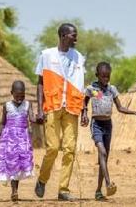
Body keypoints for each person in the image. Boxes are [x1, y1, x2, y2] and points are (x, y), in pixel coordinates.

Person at [34, 23, 87, 202]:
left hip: (72, 107)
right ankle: (42, 179)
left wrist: (85, 110)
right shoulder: (47, 55)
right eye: (73, 35)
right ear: (63, 35)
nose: (76, 38)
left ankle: (63, 189)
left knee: (70, 149)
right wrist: (39, 108)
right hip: (52, 105)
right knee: (53, 148)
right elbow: (40, 83)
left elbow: (81, 84)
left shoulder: (79, 57)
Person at [83, 62, 136, 201]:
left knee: (103, 158)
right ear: (97, 75)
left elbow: (120, 108)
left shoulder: (111, 90)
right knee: (103, 152)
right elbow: (85, 101)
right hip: (97, 125)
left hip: (108, 125)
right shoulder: (93, 88)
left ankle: (98, 191)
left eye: (108, 76)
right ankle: (108, 183)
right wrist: (84, 113)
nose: (106, 79)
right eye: (103, 76)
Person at [0, 80, 35, 202]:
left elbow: (32, 118)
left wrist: (39, 119)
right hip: (9, 139)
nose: (20, 99)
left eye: (22, 96)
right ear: (11, 93)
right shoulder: (6, 106)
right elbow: (2, 124)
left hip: (22, 138)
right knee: (12, 163)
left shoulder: (28, 105)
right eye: (17, 96)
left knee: (18, 164)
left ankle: (15, 190)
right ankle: (14, 191)